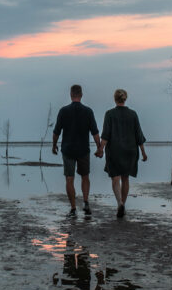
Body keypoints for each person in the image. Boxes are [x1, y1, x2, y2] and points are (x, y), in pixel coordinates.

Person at [51, 84, 102, 215]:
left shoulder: (63, 111)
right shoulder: (88, 111)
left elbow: (56, 131)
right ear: (81, 95)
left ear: (71, 94)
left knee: (69, 178)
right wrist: (99, 147)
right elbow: (95, 132)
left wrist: (54, 144)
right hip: (83, 149)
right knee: (85, 176)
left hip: (68, 149)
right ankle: (85, 203)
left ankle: (73, 208)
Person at [97, 88, 147, 218]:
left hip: (115, 150)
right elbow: (139, 135)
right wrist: (143, 152)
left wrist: (100, 149)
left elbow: (106, 135)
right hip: (130, 151)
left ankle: (119, 203)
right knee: (126, 178)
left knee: (115, 178)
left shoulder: (109, 114)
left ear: (115, 99)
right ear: (125, 99)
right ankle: (123, 203)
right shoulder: (133, 114)